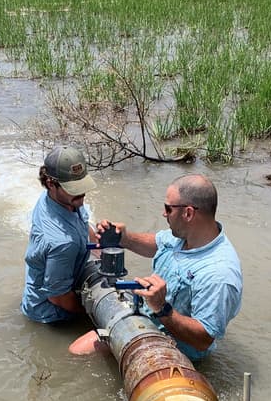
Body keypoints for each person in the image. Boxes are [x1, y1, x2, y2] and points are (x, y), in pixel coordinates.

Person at [71, 173, 242, 361]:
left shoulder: (219, 274)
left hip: (175, 349)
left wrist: (163, 309)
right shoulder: (184, 236)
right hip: (146, 318)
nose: (163, 214)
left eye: (168, 209)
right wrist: (124, 239)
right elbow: (158, 243)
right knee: (77, 350)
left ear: (188, 213)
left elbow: (204, 339)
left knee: (79, 351)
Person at [20, 145, 98, 323]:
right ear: (50, 184)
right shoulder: (62, 243)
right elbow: (58, 297)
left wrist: (97, 241)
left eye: (81, 185)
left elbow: (83, 222)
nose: (81, 193)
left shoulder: (58, 199)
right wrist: (90, 317)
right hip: (52, 314)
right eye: (73, 188)